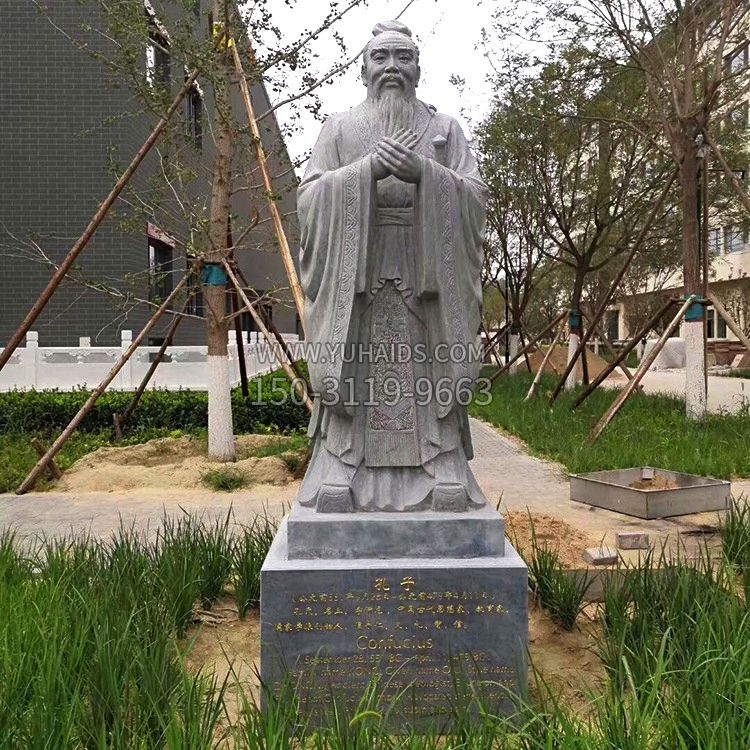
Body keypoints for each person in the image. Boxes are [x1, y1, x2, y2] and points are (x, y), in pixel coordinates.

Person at [296, 20, 489, 512]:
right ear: (363, 69)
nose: (391, 68)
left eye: (403, 58)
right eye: (380, 57)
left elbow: (475, 196)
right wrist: (366, 172)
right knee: (353, 359)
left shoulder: (444, 130)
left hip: (428, 269)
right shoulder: (339, 128)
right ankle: (342, 467)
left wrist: (425, 172)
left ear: (418, 69)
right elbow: (310, 197)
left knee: (433, 360)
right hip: (356, 269)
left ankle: (443, 466)